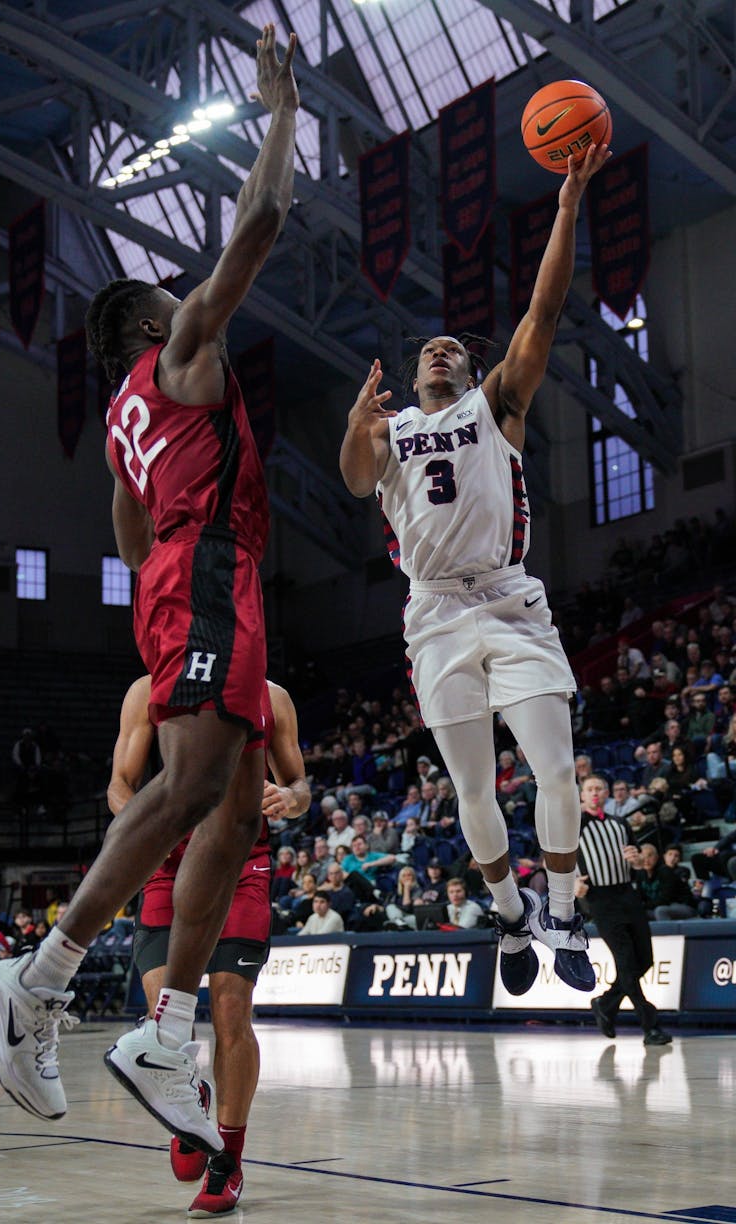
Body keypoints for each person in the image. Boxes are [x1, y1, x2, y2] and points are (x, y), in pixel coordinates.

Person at [0, 24, 299, 1150]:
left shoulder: (122, 429)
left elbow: (128, 528)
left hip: (188, 570)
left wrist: (168, 607)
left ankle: (165, 1030)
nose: (187, 294)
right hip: (209, 567)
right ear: (153, 324)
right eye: (172, 292)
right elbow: (259, 224)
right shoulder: (179, 352)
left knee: (237, 802)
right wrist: (282, 114)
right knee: (192, 784)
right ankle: (39, 983)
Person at [339, 141, 610, 997]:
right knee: (472, 789)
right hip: (434, 614)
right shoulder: (386, 434)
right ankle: (506, 911)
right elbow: (353, 481)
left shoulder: (497, 405)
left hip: (509, 599)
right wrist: (354, 424)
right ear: (415, 370)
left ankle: (561, 908)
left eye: (455, 348)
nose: (442, 352)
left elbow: (543, 311)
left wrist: (567, 205)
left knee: (556, 771)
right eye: (432, 349)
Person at [112, 674, 309, 1216]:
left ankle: (229, 1158)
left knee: (230, 1009)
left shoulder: (272, 695)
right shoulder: (147, 690)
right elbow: (120, 785)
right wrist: (151, 825)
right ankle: (188, 1093)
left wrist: (287, 797)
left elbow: (300, 787)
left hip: (242, 860)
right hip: (167, 861)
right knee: (164, 1017)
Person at [576, 776, 671, 1046]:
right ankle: (650, 1025)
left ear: (607, 794)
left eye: (599, 789)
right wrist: (572, 884)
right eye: (590, 789)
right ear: (582, 795)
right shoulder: (574, 826)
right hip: (599, 898)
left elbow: (638, 858)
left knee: (645, 960)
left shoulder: (619, 823)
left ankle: (605, 1005)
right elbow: (556, 858)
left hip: (627, 894)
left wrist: (639, 861)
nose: (595, 793)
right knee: (627, 961)